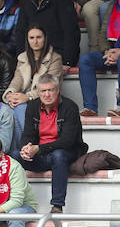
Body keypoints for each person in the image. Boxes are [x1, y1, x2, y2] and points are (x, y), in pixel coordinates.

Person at [19, 74, 86, 216]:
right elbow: (27, 134)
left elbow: (67, 141)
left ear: (58, 90)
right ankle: (16, 202)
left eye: (51, 90)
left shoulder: (70, 107)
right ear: (38, 92)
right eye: (43, 91)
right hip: (41, 155)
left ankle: (57, 205)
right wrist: (26, 147)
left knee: (58, 155)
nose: (47, 94)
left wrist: (38, 148)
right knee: (13, 156)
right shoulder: (32, 106)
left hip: (66, 152)